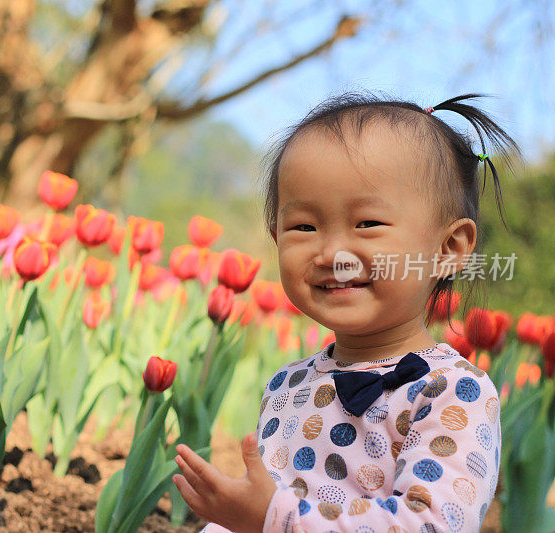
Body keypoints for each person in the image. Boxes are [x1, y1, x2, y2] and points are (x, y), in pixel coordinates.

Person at [172, 92, 524, 532]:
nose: (333, 252)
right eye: (304, 226)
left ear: (448, 249)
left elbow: (431, 524)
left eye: (367, 224)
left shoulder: (452, 393)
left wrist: (276, 520)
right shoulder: (289, 383)